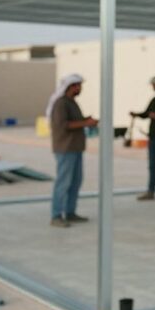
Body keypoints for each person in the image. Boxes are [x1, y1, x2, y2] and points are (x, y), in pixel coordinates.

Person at [45, 74, 98, 228]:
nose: (79, 88)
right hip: (65, 148)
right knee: (63, 182)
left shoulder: (72, 103)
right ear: (70, 87)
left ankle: (70, 212)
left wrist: (86, 121)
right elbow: (64, 125)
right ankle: (56, 215)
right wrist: (85, 122)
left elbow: (76, 122)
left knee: (75, 181)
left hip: (76, 148)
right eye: (77, 86)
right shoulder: (61, 104)